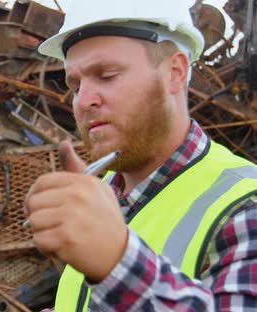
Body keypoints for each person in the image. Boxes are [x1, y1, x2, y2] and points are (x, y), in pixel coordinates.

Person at [24, 0, 257, 310]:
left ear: (175, 73)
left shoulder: (245, 206)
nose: (83, 101)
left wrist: (117, 262)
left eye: (106, 75)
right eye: (76, 84)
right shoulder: (102, 195)